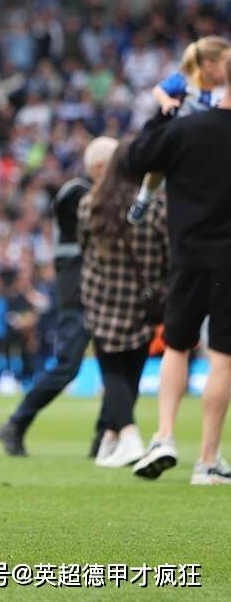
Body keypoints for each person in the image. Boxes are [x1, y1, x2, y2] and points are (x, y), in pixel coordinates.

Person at [123, 61, 231, 485]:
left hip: (187, 254)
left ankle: (164, 436)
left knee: (177, 344)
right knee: (223, 356)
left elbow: (136, 156)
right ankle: (207, 460)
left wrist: (165, 110)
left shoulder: (189, 129)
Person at [0, 136, 118, 456]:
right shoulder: (74, 192)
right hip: (78, 291)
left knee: (115, 365)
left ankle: (103, 439)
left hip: (104, 290)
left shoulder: (89, 192)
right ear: (100, 167)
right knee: (68, 365)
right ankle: (16, 422)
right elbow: (98, 213)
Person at [77, 152, 168, 468]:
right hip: (143, 301)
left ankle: (124, 435)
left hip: (103, 299)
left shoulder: (92, 203)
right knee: (132, 373)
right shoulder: (156, 206)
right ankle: (114, 439)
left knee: (113, 373)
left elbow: (84, 248)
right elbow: (168, 253)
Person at [127, 36, 228, 224]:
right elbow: (159, 90)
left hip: (209, 138)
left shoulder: (224, 88)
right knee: (159, 165)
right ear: (209, 65)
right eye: (226, 64)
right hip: (182, 134)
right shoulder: (185, 80)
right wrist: (167, 102)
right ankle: (144, 198)